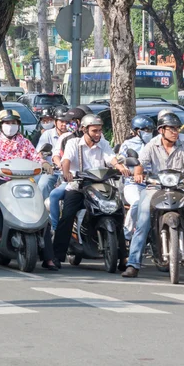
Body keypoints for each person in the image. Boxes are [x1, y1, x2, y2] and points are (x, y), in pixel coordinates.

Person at [122, 113, 184, 278]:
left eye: (177, 128)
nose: (175, 132)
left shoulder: (183, 143)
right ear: (161, 130)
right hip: (154, 188)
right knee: (143, 218)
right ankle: (133, 263)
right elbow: (140, 163)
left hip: (179, 187)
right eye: (172, 129)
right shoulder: (151, 145)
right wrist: (138, 174)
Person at [49, 114, 130, 270]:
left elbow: (111, 158)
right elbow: (66, 160)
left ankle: (123, 257)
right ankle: (56, 257)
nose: (98, 134)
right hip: (77, 186)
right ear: (84, 130)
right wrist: (66, 173)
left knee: (117, 212)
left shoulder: (104, 143)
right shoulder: (74, 143)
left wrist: (120, 167)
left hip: (100, 185)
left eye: (100, 131)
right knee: (66, 216)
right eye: (94, 131)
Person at [0, 110, 55, 267]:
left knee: (40, 205)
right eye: (7, 123)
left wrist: (44, 163)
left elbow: (35, 157)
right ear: (0, 126)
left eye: (14, 123)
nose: (10, 126)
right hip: (1, 179)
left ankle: (48, 257)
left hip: (24, 181)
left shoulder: (25, 142)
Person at [48, 107, 88, 231]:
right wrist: (62, 167)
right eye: (66, 121)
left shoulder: (96, 137)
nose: (66, 124)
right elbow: (56, 155)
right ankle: (55, 228)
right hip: (71, 180)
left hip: (93, 179)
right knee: (54, 195)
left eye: (71, 121)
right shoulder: (66, 138)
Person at [119, 116, 155, 240]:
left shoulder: (155, 144)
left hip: (153, 183)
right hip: (133, 184)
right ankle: (127, 235)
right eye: (146, 130)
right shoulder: (127, 144)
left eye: (151, 130)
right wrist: (126, 169)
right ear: (137, 131)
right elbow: (120, 161)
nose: (149, 133)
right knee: (137, 203)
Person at [35, 106, 69, 198]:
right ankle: (45, 210)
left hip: (71, 172)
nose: (64, 124)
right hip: (53, 171)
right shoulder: (47, 134)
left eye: (67, 122)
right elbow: (39, 154)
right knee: (43, 184)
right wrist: (45, 163)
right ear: (55, 122)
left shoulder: (73, 135)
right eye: (61, 121)